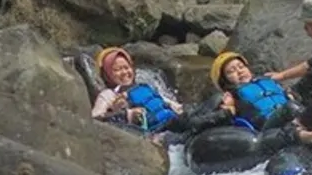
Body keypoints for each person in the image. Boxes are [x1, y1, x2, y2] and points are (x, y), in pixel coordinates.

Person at [91, 47, 223, 141]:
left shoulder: (144, 86)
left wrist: (181, 108)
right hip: (157, 131)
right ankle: (222, 116)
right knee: (189, 120)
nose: (125, 72)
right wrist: (126, 114)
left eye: (126, 67)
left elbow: (171, 104)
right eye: (117, 70)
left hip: (172, 122)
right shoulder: (108, 94)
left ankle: (222, 115)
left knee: (212, 102)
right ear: (107, 75)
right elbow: (95, 118)